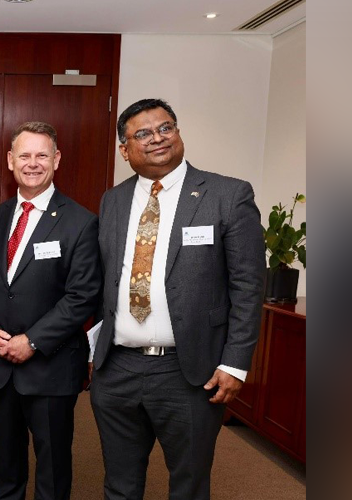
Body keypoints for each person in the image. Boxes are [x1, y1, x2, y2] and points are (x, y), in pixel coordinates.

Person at [89, 98, 265, 500]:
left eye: (166, 127)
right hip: (117, 370)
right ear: (124, 149)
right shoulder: (113, 200)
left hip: (189, 372)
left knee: (188, 485)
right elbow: (105, 279)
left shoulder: (227, 194)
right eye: (143, 133)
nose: (158, 139)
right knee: (119, 484)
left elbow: (248, 286)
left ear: (178, 132)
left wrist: (235, 363)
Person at [0, 122, 100, 500]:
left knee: (53, 464)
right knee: (5, 460)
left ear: (56, 160)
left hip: (51, 367)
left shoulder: (81, 222)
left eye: (42, 155)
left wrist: (33, 341)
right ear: (10, 161)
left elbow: (82, 296)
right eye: (24, 155)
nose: (32, 163)